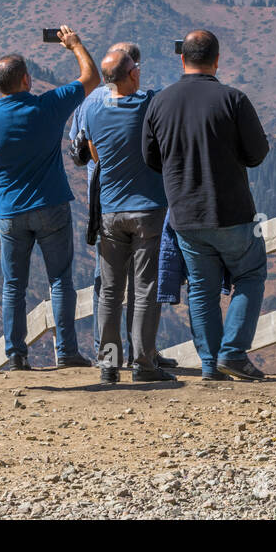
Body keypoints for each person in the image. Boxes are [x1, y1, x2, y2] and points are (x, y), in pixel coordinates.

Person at [143, 30, 270, 381]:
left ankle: (211, 364)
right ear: (217, 60)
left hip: (185, 213)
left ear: (181, 58)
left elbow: (151, 157)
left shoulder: (159, 102)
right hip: (232, 212)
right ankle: (233, 352)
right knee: (250, 274)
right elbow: (257, 154)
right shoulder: (233, 99)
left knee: (201, 287)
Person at [0, 26, 100, 371]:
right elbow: (91, 77)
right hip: (52, 205)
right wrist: (74, 44)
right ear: (27, 80)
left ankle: (16, 355)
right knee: (60, 279)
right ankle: (68, 353)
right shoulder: (49, 107)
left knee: (13, 285)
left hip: (11, 213)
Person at [68, 41, 177, 369]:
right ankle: (143, 363)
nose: (139, 73)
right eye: (136, 69)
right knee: (145, 288)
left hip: (109, 211)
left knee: (110, 292)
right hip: (148, 209)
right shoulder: (149, 104)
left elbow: (87, 153)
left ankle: (109, 365)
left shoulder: (91, 109)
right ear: (130, 75)